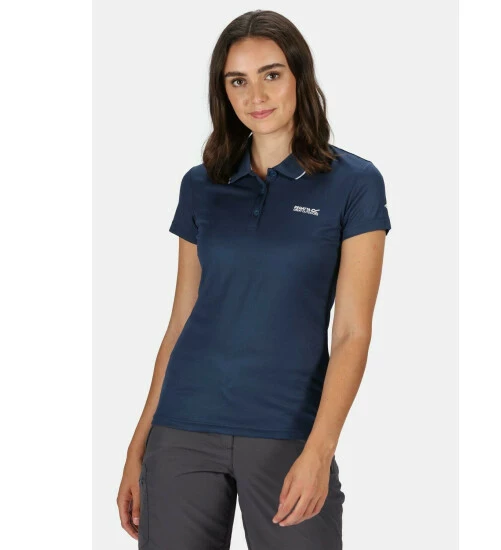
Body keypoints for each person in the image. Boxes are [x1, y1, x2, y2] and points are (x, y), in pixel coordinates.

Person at [117, 9, 391, 550]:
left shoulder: (354, 184)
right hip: (183, 429)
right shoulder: (201, 185)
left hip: (288, 432)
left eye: (271, 74)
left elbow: (352, 333)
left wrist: (320, 450)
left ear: (299, 77)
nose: (256, 95)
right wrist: (137, 445)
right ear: (223, 91)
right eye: (237, 81)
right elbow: (181, 321)